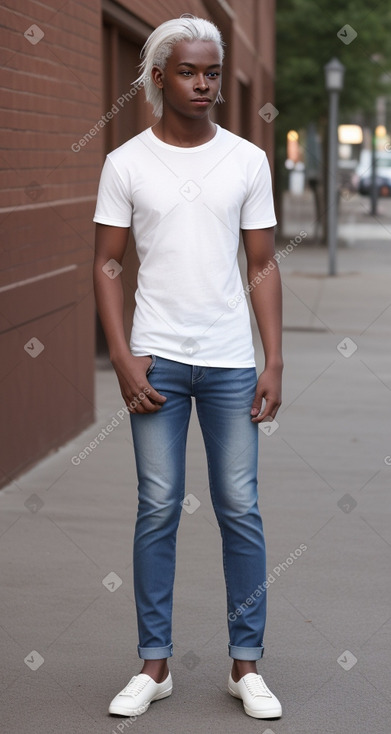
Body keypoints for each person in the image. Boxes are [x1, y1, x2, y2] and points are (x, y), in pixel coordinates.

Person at [93, 15, 283, 721]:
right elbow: (107, 262)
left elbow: (262, 266)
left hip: (232, 360)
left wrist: (274, 360)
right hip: (158, 361)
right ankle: (153, 665)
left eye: (210, 72)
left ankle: (245, 664)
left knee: (240, 507)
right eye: (187, 71)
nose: (202, 83)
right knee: (157, 506)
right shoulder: (127, 163)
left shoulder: (245, 160)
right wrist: (120, 354)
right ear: (156, 78)